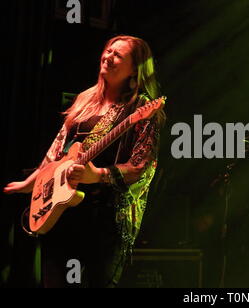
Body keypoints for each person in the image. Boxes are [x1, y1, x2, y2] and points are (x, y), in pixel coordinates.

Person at [3, 35, 166, 287]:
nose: (108, 57)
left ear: (135, 68)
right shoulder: (84, 99)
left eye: (118, 55)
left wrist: (98, 175)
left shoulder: (141, 108)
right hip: (62, 214)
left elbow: (142, 167)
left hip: (102, 221)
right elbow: (56, 152)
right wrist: (30, 183)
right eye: (108, 51)